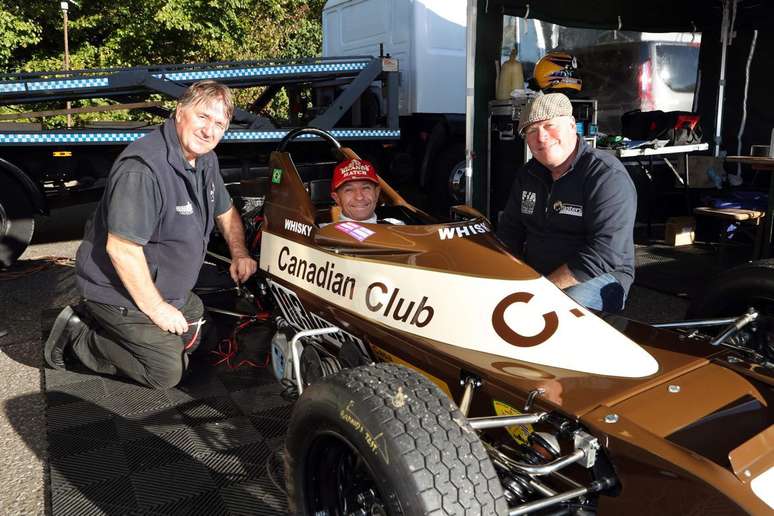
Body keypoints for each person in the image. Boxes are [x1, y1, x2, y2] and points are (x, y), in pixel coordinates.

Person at [44, 80, 257, 389]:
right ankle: (80, 336)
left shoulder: (204, 158)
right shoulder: (143, 170)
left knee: (201, 336)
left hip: (166, 289)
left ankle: (141, 327)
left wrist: (239, 253)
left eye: (219, 124)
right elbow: (121, 250)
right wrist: (157, 309)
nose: (209, 130)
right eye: (202, 117)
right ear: (180, 112)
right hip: (118, 291)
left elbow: (225, 211)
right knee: (167, 371)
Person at [496, 92, 636, 312]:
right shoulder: (528, 174)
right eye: (532, 131)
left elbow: (606, 252)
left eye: (550, 125)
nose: (541, 137)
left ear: (572, 125)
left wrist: (543, 290)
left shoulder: (605, 175)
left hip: (597, 277)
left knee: (556, 310)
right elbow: (510, 232)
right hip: (538, 274)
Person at [330, 158, 382, 223]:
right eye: (349, 190)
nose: (359, 197)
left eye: (366, 188)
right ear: (337, 198)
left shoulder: (395, 228)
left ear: (377, 193)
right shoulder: (324, 232)